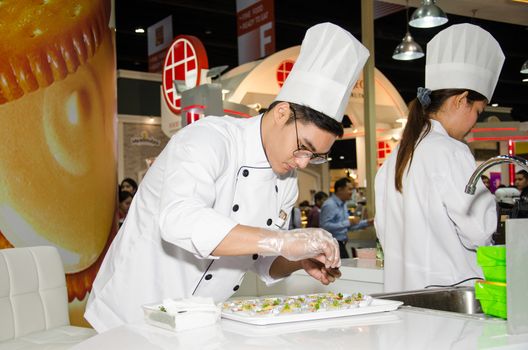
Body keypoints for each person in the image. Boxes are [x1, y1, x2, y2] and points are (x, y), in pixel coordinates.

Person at [85, 22, 370, 332]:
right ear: (281, 113)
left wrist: (298, 258)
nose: (303, 163)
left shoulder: (284, 182)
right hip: (132, 312)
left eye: (315, 157)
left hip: (199, 321)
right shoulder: (209, 139)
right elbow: (179, 221)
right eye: (304, 148)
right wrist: (283, 240)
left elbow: (262, 261)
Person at [375, 24, 504, 292]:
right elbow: (479, 230)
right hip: (449, 295)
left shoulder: (395, 157)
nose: (474, 124)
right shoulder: (450, 150)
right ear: (461, 100)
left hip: (405, 295)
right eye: (477, 112)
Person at [320, 178, 372, 259]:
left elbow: (348, 227)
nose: (352, 192)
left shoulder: (343, 204)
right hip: (331, 245)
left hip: (341, 244)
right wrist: (348, 222)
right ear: (340, 189)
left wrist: (367, 223)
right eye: (349, 189)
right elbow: (324, 226)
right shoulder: (330, 205)